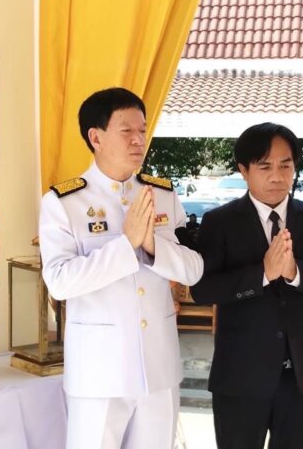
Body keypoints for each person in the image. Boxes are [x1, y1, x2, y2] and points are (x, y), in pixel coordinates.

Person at [38, 88, 204, 449]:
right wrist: (126, 244)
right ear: (95, 138)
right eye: (126, 131)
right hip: (99, 372)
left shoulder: (162, 194)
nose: (138, 140)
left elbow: (193, 270)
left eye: (142, 130)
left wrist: (152, 245)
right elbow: (60, 282)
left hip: (158, 368)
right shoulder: (64, 202)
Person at [191, 122, 303, 449]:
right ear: (243, 170)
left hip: (301, 377)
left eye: (285, 165)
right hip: (240, 375)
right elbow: (203, 289)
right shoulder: (219, 222)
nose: (277, 176)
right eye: (265, 166)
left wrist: (296, 272)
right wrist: (262, 274)